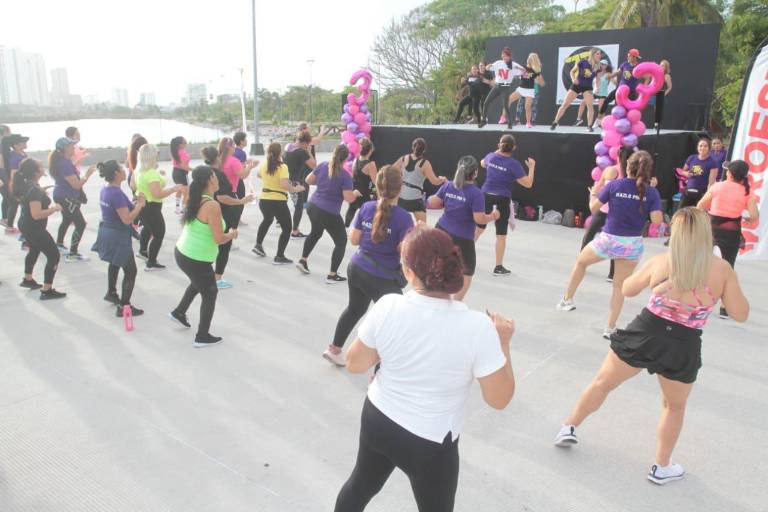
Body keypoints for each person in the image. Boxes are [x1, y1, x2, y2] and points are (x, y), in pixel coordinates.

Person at [554, 207, 750, 485]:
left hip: (647, 329)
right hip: (683, 342)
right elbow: (741, 314)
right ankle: (661, 466)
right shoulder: (721, 270)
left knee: (602, 383)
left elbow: (628, 289)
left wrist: (654, 283)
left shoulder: (663, 261)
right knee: (673, 407)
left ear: (677, 234)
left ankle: (568, 426)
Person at [333, 225, 516, 512]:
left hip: (379, 418)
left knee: (360, 485)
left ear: (408, 272)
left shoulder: (388, 306)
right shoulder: (477, 327)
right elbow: (499, 399)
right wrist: (503, 342)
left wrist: (390, 348)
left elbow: (355, 363)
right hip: (430, 442)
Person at [557, 151, 663, 339]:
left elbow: (593, 208)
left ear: (627, 167)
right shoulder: (651, 192)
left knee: (581, 263)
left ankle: (567, 300)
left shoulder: (614, 185)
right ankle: (610, 327)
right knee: (618, 286)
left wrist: (592, 194)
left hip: (609, 239)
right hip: (632, 244)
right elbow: (656, 220)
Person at [324, 166, 414, 366]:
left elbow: (354, 240)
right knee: (393, 323)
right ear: (400, 189)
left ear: (377, 186)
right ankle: (381, 372)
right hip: (381, 279)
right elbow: (406, 252)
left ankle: (334, 349)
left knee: (354, 309)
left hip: (357, 268)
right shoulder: (404, 217)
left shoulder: (366, 207)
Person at [170, 166, 238, 347]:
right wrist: (231, 234)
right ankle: (202, 336)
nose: (218, 179)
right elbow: (218, 238)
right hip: (195, 258)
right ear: (209, 180)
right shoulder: (212, 205)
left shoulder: (199, 198)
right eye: (215, 176)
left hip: (184, 252)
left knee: (198, 283)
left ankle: (179, 312)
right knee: (210, 292)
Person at [427, 156, 499, 301]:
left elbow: (432, 202)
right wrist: (493, 216)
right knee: (467, 271)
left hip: (441, 231)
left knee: (439, 265)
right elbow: (479, 219)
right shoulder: (476, 193)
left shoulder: (448, 186)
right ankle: (456, 303)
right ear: (475, 173)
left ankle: (434, 297)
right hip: (462, 239)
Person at [697, 160, 759, 319]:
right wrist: (746, 220)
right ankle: (724, 308)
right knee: (728, 268)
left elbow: (700, 206)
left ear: (729, 173)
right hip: (731, 231)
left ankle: (694, 299)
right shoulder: (747, 191)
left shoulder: (718, 186)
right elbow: (754, 216)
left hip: (710, 229)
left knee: (700, 262)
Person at [296, 144, 360, 283]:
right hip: (328, 211)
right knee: (341, 241)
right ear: (346, 158)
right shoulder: (344, 175)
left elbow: (308, 180)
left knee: (315, 232)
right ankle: (332, 274)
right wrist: (354, 193)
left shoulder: (323, 165)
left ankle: (303, 260)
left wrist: (324, 184)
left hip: (313, 206)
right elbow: (349, 198)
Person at [91, 160, 147, 316]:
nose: (124, 171)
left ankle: (111, 292)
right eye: (122, 169)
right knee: (131, 271)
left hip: (108, 231)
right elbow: (127, 219)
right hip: (117, 235)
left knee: (115, 263)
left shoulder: (107, 189)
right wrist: (140, 205)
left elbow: (123, 208)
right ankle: (124, 306)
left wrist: (135, 203)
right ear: (116, 173)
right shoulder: (116, 193)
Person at [476, 135, 535, 276]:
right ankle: (498, 267)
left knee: (478, 229)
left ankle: (461, 258)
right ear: (513, 148)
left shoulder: (491, 157)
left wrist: (497, 151)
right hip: (502, 199)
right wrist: (532, 167)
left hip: (485, 196)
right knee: (501, 235)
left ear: (499, 145)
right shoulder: (514, 164)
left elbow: (482, 163)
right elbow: (528, 184)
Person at [200, 146, 252, 289]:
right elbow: (222, 197)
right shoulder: (218, 174)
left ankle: (206, 276)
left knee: (209, 244)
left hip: (205, 212)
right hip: (222, 214)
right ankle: (217, 279)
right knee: (223, 247)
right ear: (217, 157)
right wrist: (241, 201)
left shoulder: (203, 172)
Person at [14, 158, 66, 299]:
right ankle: (47, 290)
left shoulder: (28, 185)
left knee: (35, 249)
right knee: (54, 255)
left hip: (25, 224)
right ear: (35, 171)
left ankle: (28, 279)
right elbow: (36, 214)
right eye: (41, 166)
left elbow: (30, 199)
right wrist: (54, 208)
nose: (43, 167)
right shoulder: (34, 189)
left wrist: (41, 191)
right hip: (34, 227)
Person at [580, 147, 634, 283]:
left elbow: (598, 188)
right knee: (616, 241)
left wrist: (592, 194)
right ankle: (612, 274)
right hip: (619, 213)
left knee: (589, 234)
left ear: (617, 157)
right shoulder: (634, 175)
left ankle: (582, 262)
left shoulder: (610, 170)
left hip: (604, 210)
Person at [252, 142, 304, 265]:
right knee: (287, 228)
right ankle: (279, 256)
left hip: (264, 199)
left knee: (267, 219)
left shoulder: (265, 164)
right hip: (277, 201)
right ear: (280, 153)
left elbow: (259, 175)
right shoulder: (282, 167)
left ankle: (258, 245)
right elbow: (285, 185)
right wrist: (298, 188)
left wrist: (270, 178)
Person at [133, 143, 182, 270]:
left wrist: (157, 174)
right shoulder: (151, 174)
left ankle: (143, 251)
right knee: (159, 234)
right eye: (156, 155)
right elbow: (158, 194)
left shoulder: (139, 170)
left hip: (142, 204)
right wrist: (173, 189)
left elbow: (134, 186)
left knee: (148, 229)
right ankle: (151, 262)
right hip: (152, 207)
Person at [50, 137, 96, 261]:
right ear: (65, 149)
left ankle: (59, 243)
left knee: (66, 219)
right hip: (67, 198)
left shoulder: (63, 161)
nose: (74, 148)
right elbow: (76, 184)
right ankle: (73, 253)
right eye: (71, 146)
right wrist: (87, 175)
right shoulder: (64, 164)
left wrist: (78, 161)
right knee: (80, 224)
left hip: (61, 195)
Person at [392, 138, 446, 223]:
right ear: (424, 150)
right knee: (422, 226)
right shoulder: (425, 163)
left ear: (412, 147)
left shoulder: (403, 158)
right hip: (415, 199)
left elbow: (391, 170)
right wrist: (443, 179)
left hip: (401, 196)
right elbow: (434, 181)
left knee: (397, 223)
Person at [551, 48, 601, 132]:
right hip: (577, 85)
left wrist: (597, 88)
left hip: (587, 87)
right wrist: (573, 79)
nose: (599, 56)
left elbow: (598, 80)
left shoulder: (598, 67)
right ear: (592, 54)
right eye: (598, 54)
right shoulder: (582, 62)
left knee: (590, 107)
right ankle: (555, 122)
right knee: (565, 104)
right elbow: (572, 72)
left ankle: (589, 126)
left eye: (600, 54)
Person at [479, 47, 526, 129]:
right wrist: (488, 66)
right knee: (486, 102)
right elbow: (487, 68)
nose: (504, 57)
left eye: (505, 56)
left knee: (505, 105)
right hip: (497, 86)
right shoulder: (498, 63)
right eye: (503, 56)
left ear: (509, 56)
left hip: (505, 87)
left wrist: (519, 68)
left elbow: (523, 71)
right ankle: (484, 120)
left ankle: (509, 123)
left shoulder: (514, 65)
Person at [219, 137, 256, 233]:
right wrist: (249, 167)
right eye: (233, 146)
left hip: (218, 192)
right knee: (231, 218)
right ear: (230, 148)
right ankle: (226, 241)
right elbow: (243, 175)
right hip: (230, 192)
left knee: (222, 217)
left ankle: (223, 238)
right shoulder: (233, 161)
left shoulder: (218, 159)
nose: (235, 148)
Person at [284, 130, 317, 237]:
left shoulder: (288, 146)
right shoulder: (301, 152)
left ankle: (289, 226)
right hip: (296, 182)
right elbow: (314, 166)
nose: (307, 146)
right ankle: (295, 231)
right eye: (307, 144)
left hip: (286, 180)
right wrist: (309, 152)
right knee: (299, 207)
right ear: (305, 143)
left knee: (295, 204)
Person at [598, 48, 642, 118]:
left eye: (629, 56)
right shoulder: (625, 64)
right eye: (628, 56)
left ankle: (629, 124)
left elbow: (647, 77)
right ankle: (599, 119)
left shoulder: (638, 67)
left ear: (634, 57)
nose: (627, 57)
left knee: (631, 109)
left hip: (631, 92)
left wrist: (643, 88)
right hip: (620, 90)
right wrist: (610, 76)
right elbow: (618, 72)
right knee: (606, 101)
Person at [344, 138, 377, 227]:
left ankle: (346, 226)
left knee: (352, 208)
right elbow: (376, 182)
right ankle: (366, 228)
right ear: (371, 150)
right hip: (364, 193)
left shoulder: (356, 160)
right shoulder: (370, 164)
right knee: (369, 212)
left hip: (355, 189)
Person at [507, 53, 544, 128]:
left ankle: (528, 122)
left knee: (527, 106)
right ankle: (507, 118)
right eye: (529, 58)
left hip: (530, 90)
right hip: (521, 89)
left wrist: (536, 78)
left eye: (532, 58)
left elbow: (539, 82)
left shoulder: (535, 70)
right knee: (510, 100)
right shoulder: (523, 67)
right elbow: (517, 72)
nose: (529, 59)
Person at [1, 133, 30, 234]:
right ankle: (10, 227)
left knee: (19, 205)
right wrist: (12, 186)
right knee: (16, 204)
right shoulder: (14, 156)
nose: (25, 143)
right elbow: (13, 172)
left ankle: (13, 226)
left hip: (24, 183)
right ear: (16, 145)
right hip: (18, 184)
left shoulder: (22, 153)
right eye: (23, 142)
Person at [679, 138, 719, 207]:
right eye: (700, 146)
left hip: (702, 192)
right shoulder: (691, 158)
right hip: (688, 190)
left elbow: (711, 183)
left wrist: (707, 196)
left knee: (698, 214)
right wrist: (687, 174)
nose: (702, 148)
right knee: (680, 212)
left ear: (709, 148)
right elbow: (682, 171)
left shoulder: (713, 162)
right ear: (697, 147)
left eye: (705, 146)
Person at [170, 136, 192, 214]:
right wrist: (193, 170)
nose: (186, 143)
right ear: (180, 145)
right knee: (187, 193)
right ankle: (184, 209)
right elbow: (183, 166)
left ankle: (177, 208)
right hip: (181, 173)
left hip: (175, 173)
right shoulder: (182, 152)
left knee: (179, 190)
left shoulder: (175, 151)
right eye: (184, 142)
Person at [653, 60, 673, 133]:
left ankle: (657, 124)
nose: (661, 66)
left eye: (663, 65)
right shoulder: (657, 74)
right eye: (660, 65)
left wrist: (664, 94)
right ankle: (656, 123)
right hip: (655, 93)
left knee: (658, 109)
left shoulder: (667, 76)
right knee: (655, 109)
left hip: (662, 94)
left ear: (666, 67)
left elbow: (670, 87)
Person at [0, 124, 12, 235]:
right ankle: (5, 219)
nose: (11, 134)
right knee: (7, 196)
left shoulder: (4, 143)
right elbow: (2, 161)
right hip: (2, 173)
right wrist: (4, 177)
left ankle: (5, 218)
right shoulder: (2, 143)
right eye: (9, 132)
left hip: (3, 173)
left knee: (6, 196)